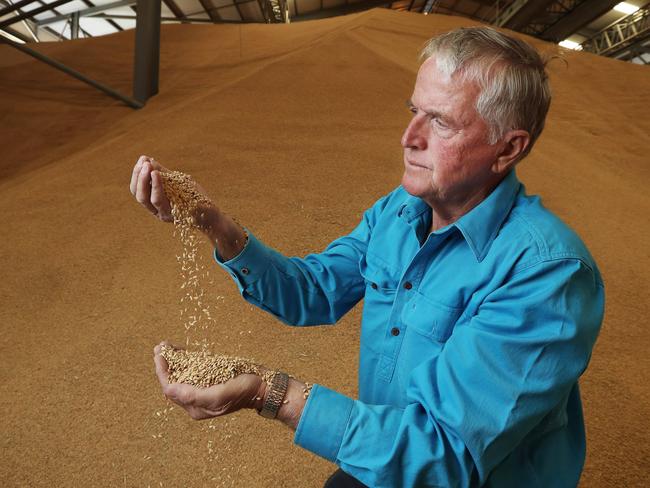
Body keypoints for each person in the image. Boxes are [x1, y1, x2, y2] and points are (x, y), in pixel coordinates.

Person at [130, 27, 604, 488]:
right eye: (414, 110)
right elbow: (311, 291)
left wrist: (267, 391)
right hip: (382, 453)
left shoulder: (548, 274)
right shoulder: (397, 213)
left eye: (440, 121)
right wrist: (212, 222)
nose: (408, 136)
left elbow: (443, 458)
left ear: (508, 148)